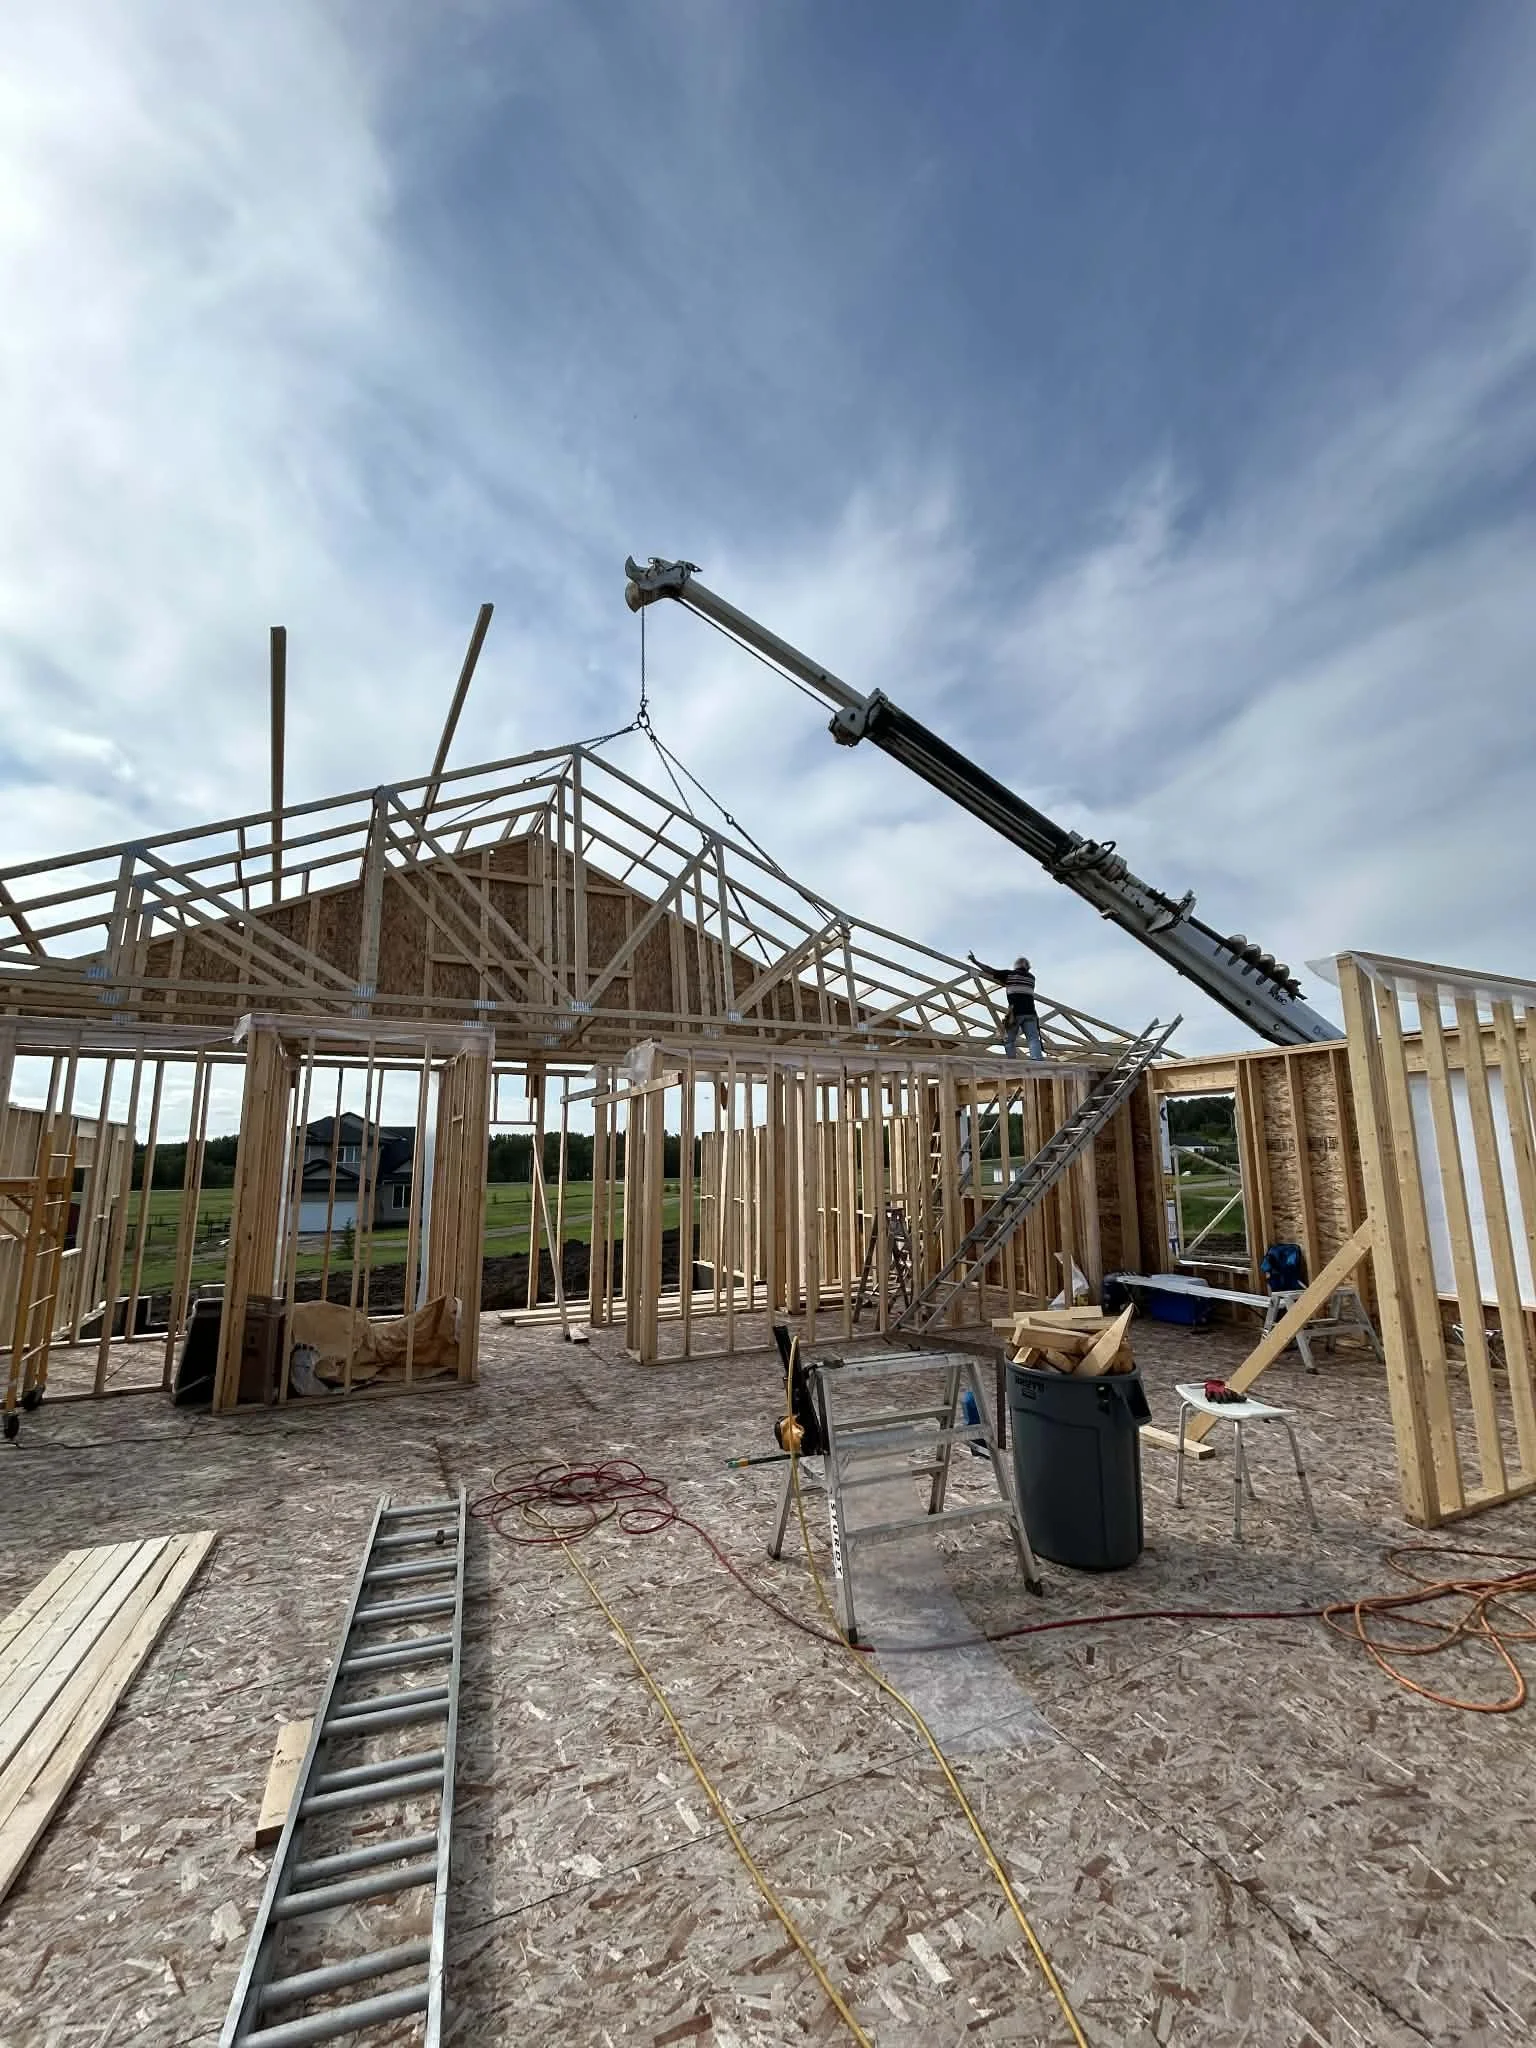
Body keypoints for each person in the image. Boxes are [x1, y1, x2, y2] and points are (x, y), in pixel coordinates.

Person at [968, 951, 1044, 1059]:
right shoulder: (1031, 978)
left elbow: (991, 971)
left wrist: (975, 962)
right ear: (1028, 968)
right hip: (1031, 1013)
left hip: (1015, 1013)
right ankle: (1037, 1061)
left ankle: (1012, 1062)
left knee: (1009, 1040)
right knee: (1033, 1039)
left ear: (1015, 966)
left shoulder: (1010, 975)